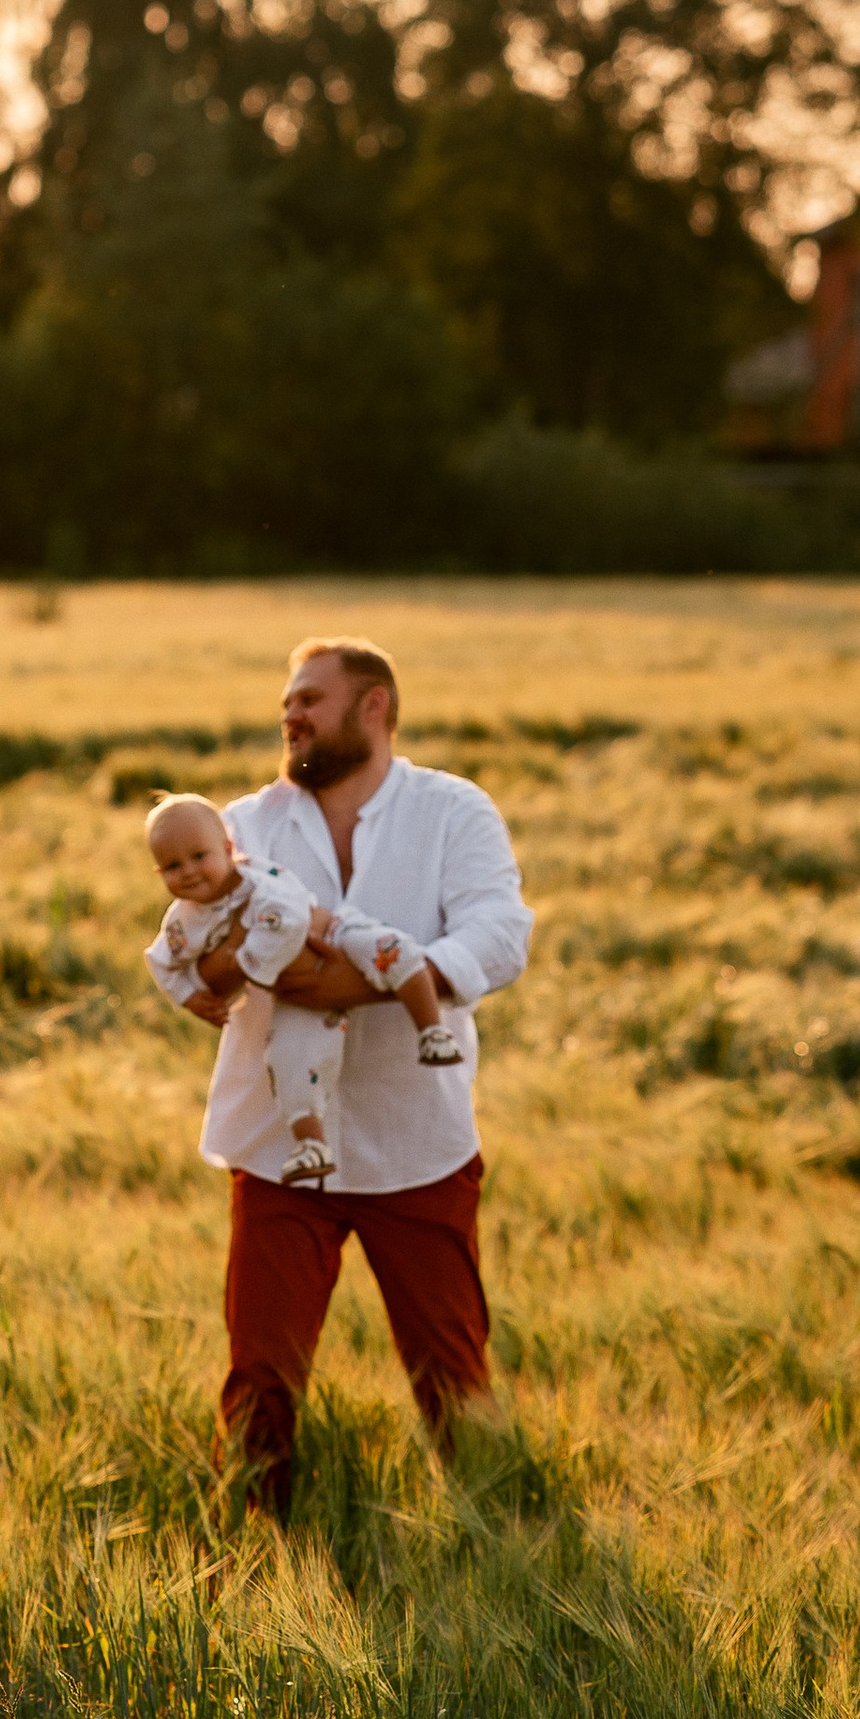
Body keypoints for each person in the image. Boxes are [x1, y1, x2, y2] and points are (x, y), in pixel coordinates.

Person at [176, 638, 533, 1518]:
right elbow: (200, 947)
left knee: (453, 1374)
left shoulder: (453, 810)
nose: (290, 715)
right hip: (276, 1146)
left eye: (310, 699)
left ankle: (497, 1545)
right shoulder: (244, 824)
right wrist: (273, 965)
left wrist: (341, 981)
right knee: (261, 1374)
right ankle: (254, 1552)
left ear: (374, 707)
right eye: (286, 702)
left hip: (419, 1141)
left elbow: (499, 936)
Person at [141, 791, 460, 1187]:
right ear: (158, 873)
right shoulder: (182, 924)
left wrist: (247, 964)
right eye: (172, 866)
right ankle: (311, 1144)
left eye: (199, 857)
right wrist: (190, 997)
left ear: (228, 849)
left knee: (396, 953)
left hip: (335, 934)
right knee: (289, 1060)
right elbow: (160, 963)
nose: (187, 871)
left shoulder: (259, 882)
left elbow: (289, 919)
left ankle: (432, 1030)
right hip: (292, 995)